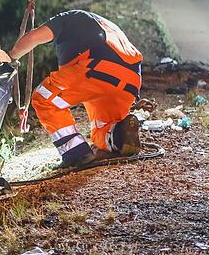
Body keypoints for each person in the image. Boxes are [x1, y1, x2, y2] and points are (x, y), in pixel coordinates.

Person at [9, 10, 142, 168]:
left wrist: (10, 58)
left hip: (96, 71)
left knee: (43, 98)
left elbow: (33, 37)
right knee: (101, 128)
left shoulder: (67, 18)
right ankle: (120, 135)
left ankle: (76, 154)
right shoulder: (104, 24)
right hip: (130, 81)